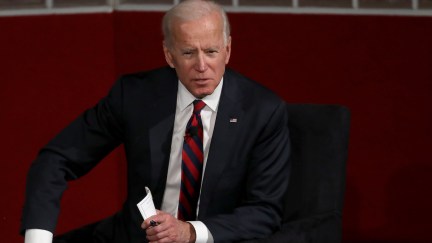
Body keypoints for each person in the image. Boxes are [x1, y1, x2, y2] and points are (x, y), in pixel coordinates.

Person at [21, 0, 290, 242]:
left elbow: (264, 212)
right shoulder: (136, 96)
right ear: (169, 55)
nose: (201, 65)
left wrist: (190, 232)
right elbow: (57, 159)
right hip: (133, 236)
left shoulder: (262, 111)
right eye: (188, 53)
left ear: (228, 50)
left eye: (211, 51)